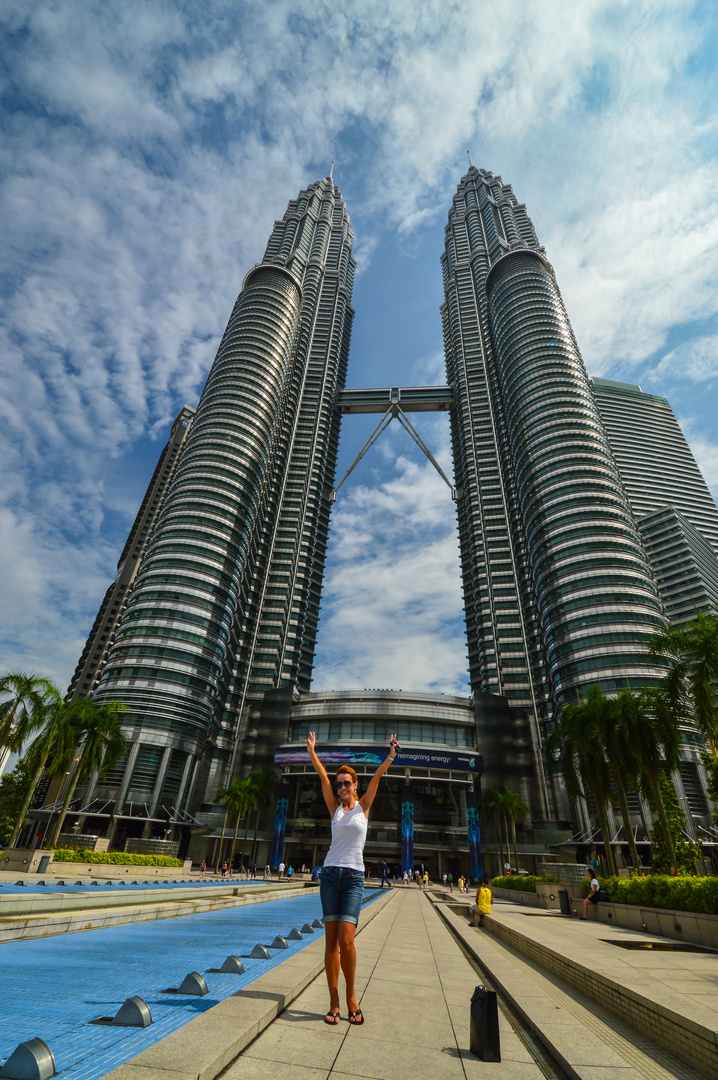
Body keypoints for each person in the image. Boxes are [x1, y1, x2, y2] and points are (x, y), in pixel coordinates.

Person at [306, 729, 400, 1027]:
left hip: (355, 878)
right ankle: (334, 1003)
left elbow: (377, 779)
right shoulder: (334, 808)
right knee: (330, 943)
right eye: (340, 784)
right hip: (331, 876)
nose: (342, 787)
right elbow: (321, 775)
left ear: (354, 785)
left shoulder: (363, 807)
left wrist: (390, 756)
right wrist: (312, 751)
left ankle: (351, 998)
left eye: (347, 783)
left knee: (347, 940)